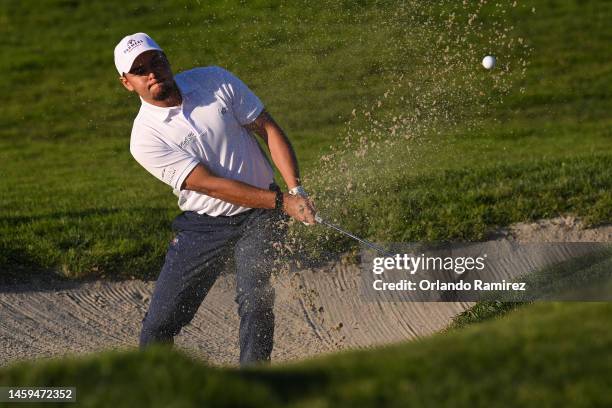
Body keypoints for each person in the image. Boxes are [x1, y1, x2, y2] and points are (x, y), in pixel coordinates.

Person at [113, 32, 316, 366]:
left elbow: (268, 128)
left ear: (166, 59)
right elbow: (209, 185)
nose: (152, 72)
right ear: (127, 83)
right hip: (203, 226)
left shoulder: (213, 80)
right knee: (159, 325)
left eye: (156, 60)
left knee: (255, 299)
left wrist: (296, 191)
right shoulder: (144, 138)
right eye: (140, 69)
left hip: (260, 215)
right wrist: (282, 203)